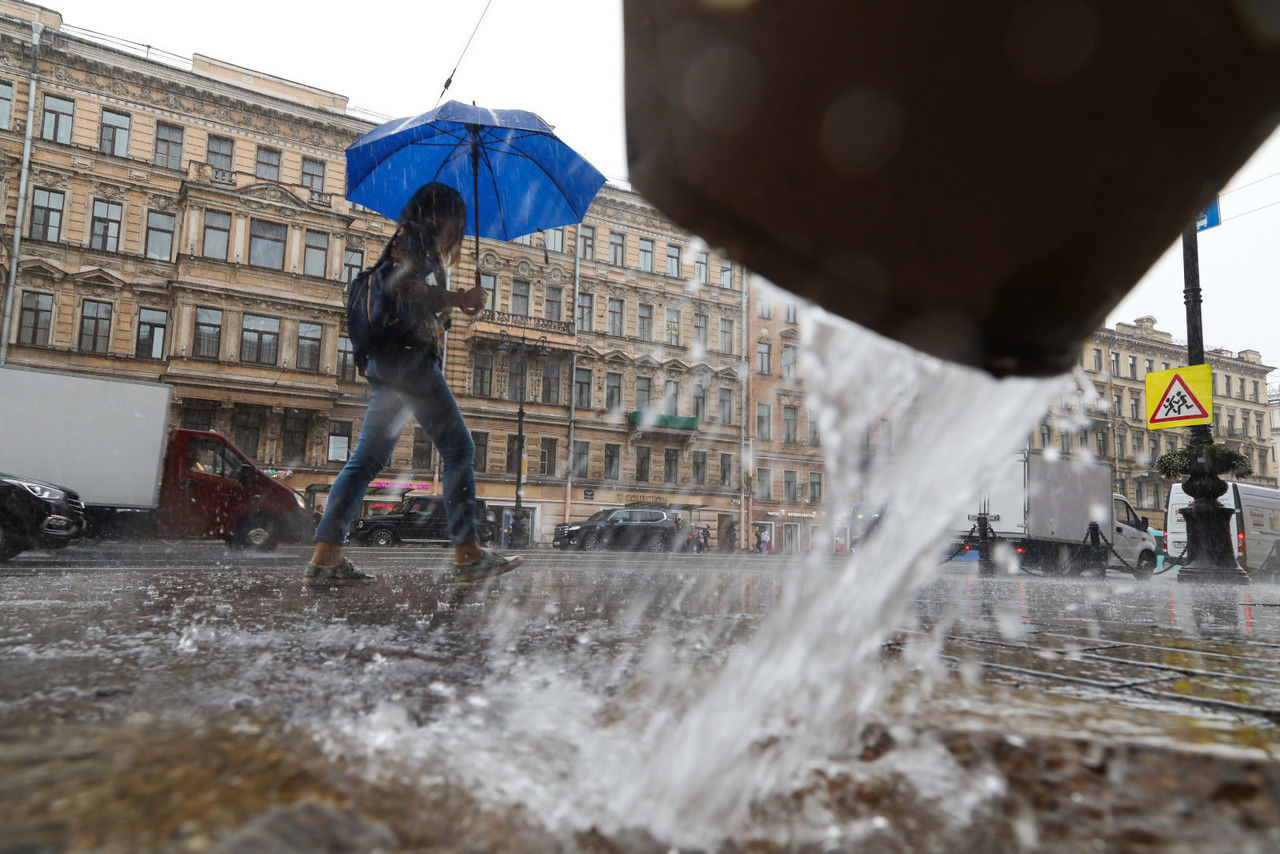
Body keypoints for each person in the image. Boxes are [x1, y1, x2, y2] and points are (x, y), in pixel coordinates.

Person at [306, 182, 522, 584]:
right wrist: (457, 298)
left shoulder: (406, 240)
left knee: (366, 461)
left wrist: (454, 305)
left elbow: (411, 297)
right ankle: (468, 552)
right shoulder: (418, 240)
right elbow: (401, 288)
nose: (460, 230)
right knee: (459, 450)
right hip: (408, 362)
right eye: (459, 219)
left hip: (385, 363)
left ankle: (325, 557)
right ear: (446, 216)